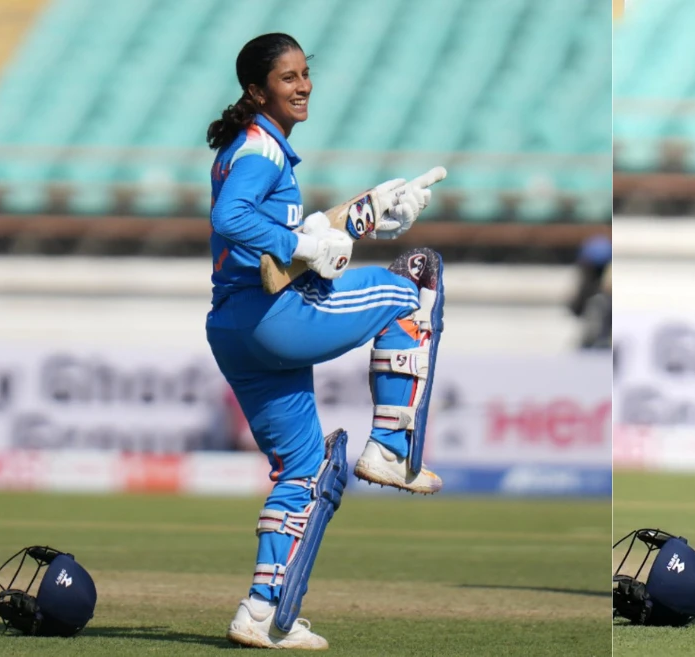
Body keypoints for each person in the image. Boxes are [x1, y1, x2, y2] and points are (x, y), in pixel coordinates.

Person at [204, 33, 448, 650]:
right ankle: (391, 447)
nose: (303, 85)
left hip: (233, 327)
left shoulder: (254, 146)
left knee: (303, 468)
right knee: (413, 281)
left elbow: (308, 235)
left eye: (305, 73)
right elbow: (234, 220)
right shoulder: (260, 150)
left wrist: (371, 211)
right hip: (271, 316)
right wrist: (305, 245)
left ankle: (261, 614)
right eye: (287, 78)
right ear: (258, 91)